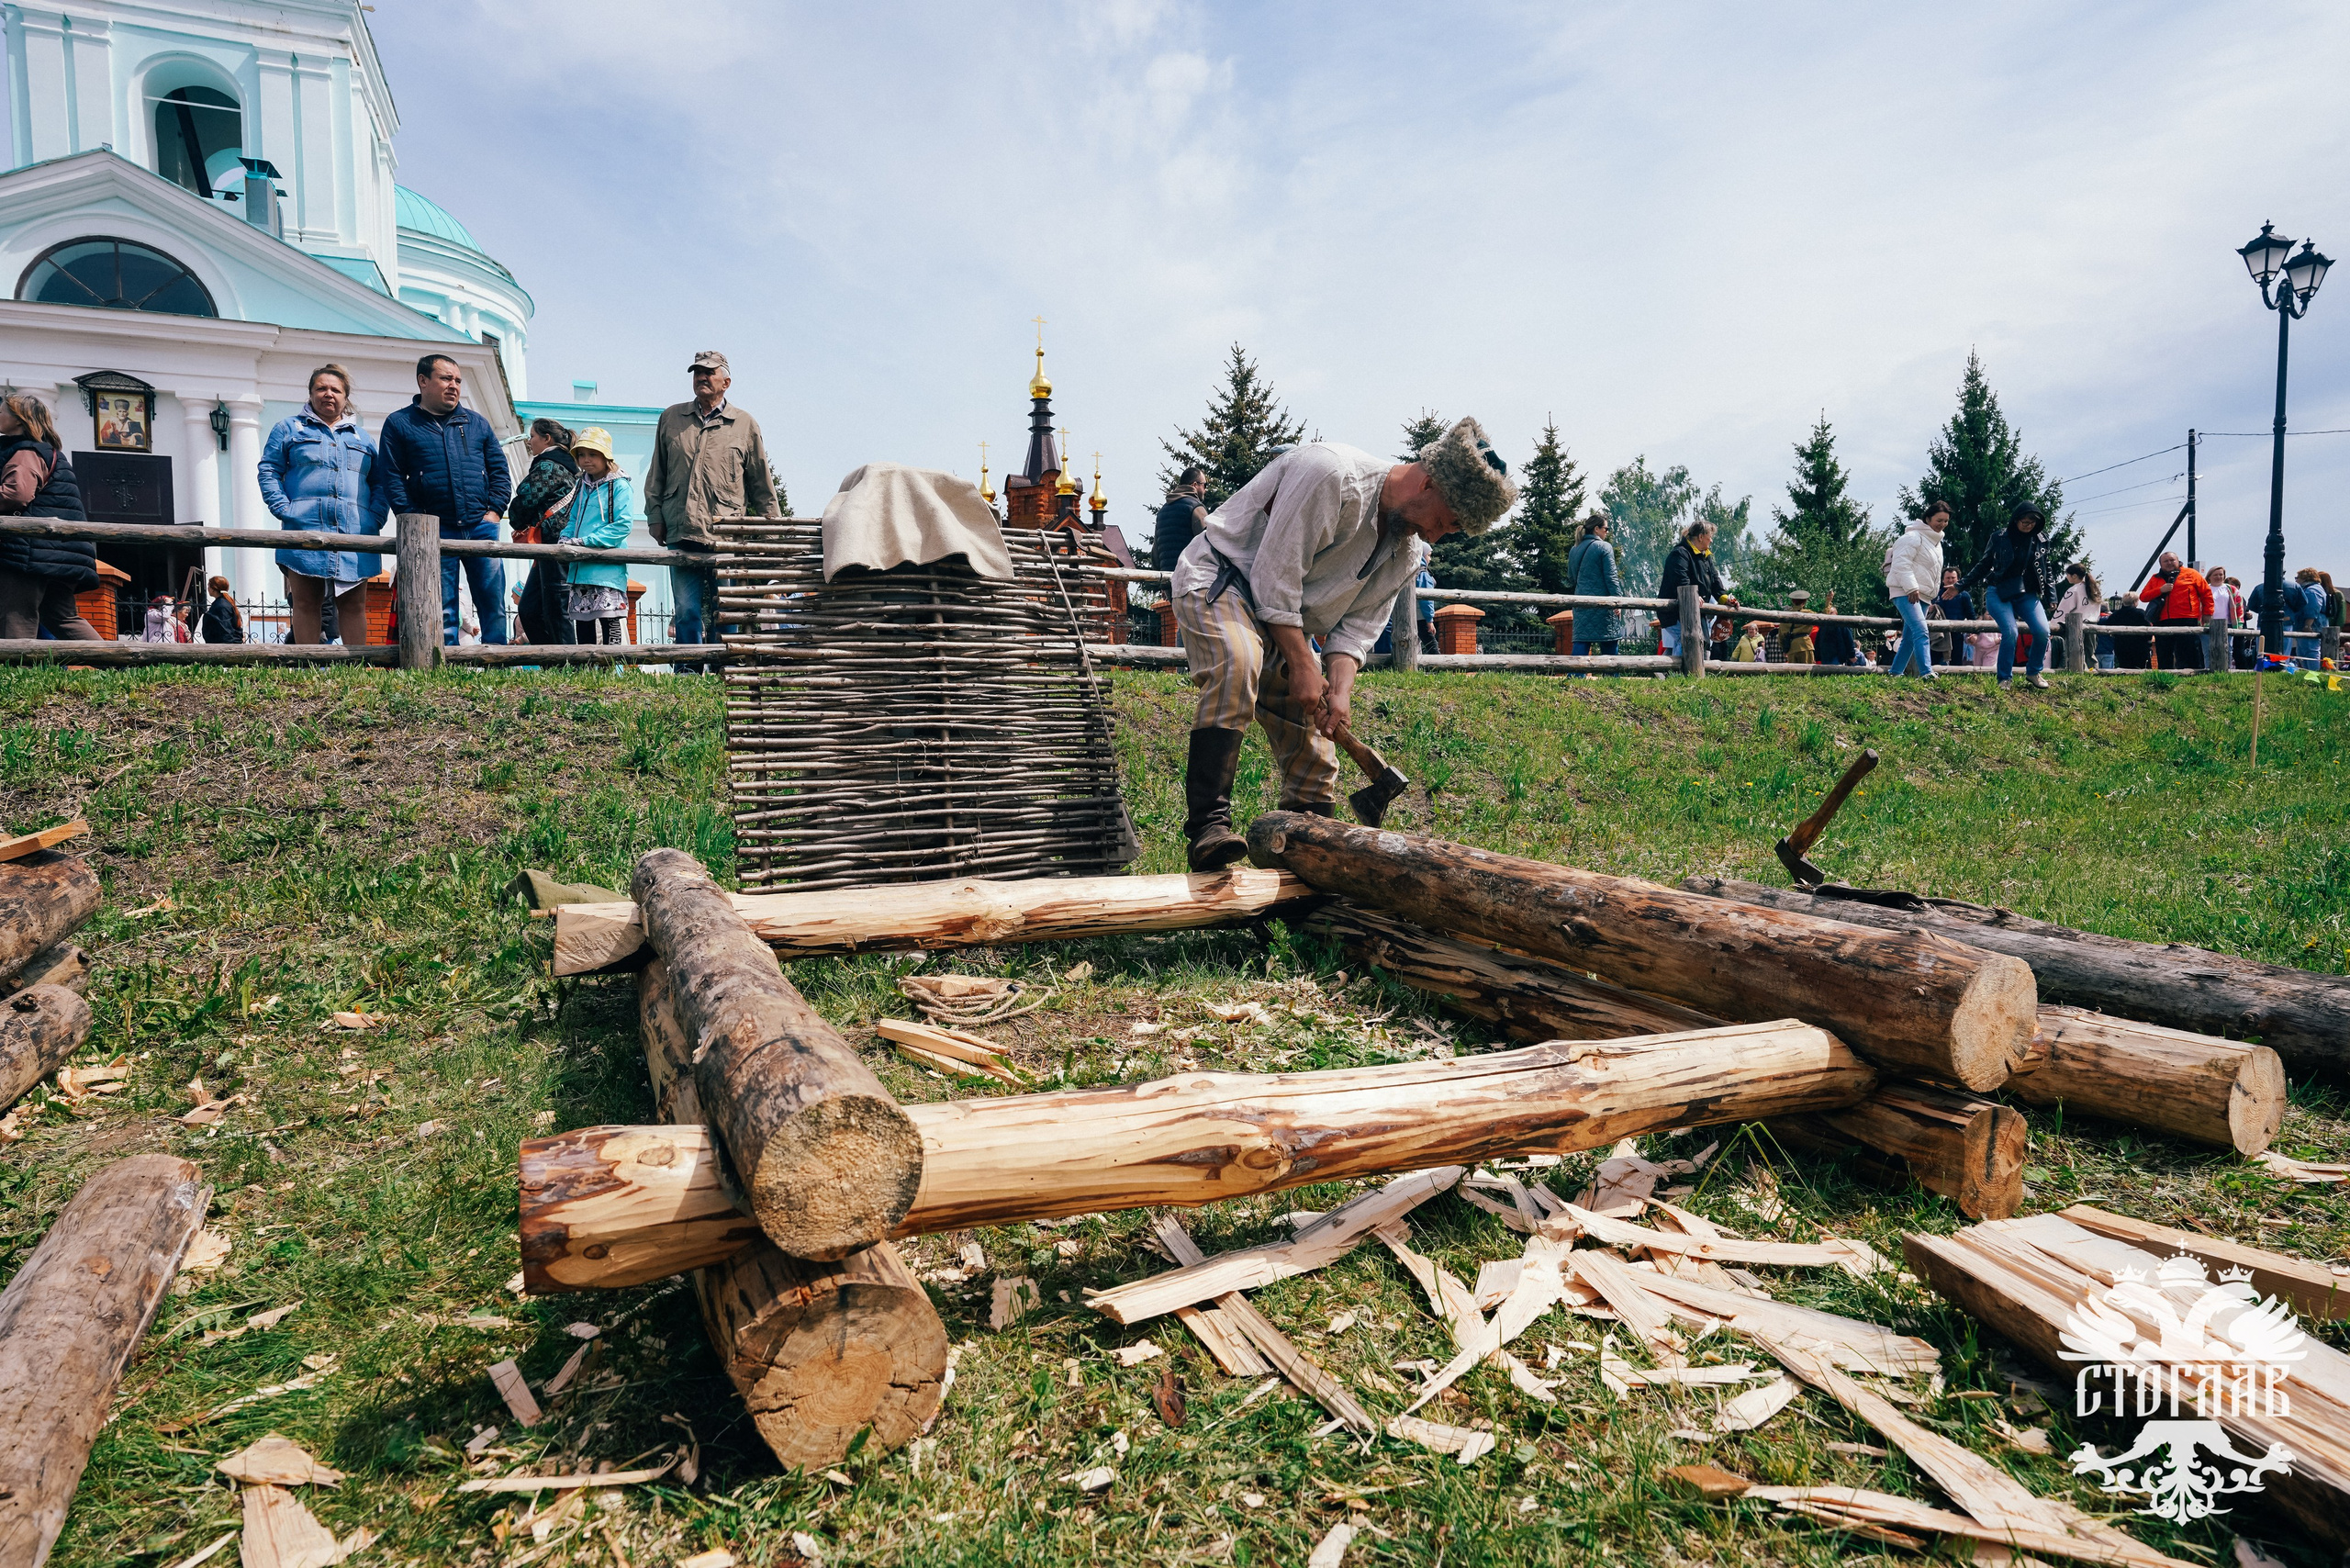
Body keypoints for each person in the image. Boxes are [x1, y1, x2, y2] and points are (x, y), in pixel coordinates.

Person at [1175, 416, 1514, 870]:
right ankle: (1208, 829)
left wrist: (1339, 692)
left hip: (1283, 617)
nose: (1437, 536)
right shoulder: (1331, 475)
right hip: (1223, 579)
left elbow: (1355, 630)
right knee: (1239, 663)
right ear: (1429, 482)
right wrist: (1301, 661)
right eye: (1445, 522)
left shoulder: (1406, 551)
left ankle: (1307, 861)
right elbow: (1275, 575)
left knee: (1317, 750)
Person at [644, 351, 782, 670]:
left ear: (726, 382)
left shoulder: (744, 424)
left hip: (726, 532)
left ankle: (726, 672)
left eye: (709, 373)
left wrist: (771, 530)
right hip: (681, 529)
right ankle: (689, 674)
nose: (701, 378)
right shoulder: (672, 417)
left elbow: (761, 481)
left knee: (728, 608)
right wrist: (655, 515)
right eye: (697, 373)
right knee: (687, 610)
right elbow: (657, 473)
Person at [379, 353, 511, 645]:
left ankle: (499, 661)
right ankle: (447, 667)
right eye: (446, 378)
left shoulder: (477, 424)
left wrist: (494, 513)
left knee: (492, 602)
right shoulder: (400, 424)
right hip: (433, 531)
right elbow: (391, 477)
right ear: (423, 381)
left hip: (481, 527)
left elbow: (500, 472)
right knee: (443, 605)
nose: (454, 385)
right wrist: (414, 518)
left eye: (458, 380)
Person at [258, 364, 387, 645]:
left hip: (356, 531)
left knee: (353, 605)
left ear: (345, 396)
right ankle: (309, 669)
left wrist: (375, 516)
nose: (328, 394)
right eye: (321, 388)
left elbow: (379, 482)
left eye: (335, 389)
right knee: (305, 602)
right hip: (304, 527)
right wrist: (283, 509)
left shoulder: (362, 438)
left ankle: (356, 672)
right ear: (311, 393)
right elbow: (268, 470)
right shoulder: (289, 429)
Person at [0, 392, 102, 642]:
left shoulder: (26, 451)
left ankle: (17, 677)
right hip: (58, 552)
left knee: (17, 614)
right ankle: (117, 664)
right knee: (62, 617)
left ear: (20, 420)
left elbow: (16, 494)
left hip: (27, 550)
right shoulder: (49, 452)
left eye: (3, 411)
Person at [1959, 501, 2054, 689]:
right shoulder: (2000, 537)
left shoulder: (2041, 539)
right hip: (1999, 591)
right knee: (2010, 632)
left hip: (2026, 593)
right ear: (2015, 520)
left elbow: (2047, 568)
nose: (2028, 526)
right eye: (2024, 522)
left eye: (2032, 523)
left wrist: (2051, 596)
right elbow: (1984, 565)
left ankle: (2034, 672)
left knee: (2043, 631)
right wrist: (1961, 585)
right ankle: (2004, 678)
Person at [509, 417, 579, 646]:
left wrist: (517, 516)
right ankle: (556, 665)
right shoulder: (566, 466)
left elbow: (526, 499)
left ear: (546, 438)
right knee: (532, 609)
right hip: (551, 545)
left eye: (532, 436)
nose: (529, 441)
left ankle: (568, 667)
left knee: (555, 611)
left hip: (553, 546)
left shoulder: (548, 464)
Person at [561, 428, 633, 644]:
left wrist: (585, 542)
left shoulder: (620, 485)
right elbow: (572, 520)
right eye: (581, 455)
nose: (586, 460)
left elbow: (622, 525)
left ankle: (613, 675)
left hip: (607, 569)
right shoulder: (580, 485)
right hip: (580, 569)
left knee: (610, 623)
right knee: (583, 625)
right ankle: (586, 675)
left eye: (592, 454)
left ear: (605, 456)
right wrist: (565, 538)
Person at [1884, 502, 1947, 678]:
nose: (1942, 524)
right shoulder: (1912, 537)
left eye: (1946, 521)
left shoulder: (1936, 543)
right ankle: (1926, 672)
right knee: (1921, 631)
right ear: (1928, 519)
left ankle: (1895, 673)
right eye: (1939, 520)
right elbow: (1901, 564)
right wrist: (1911, 587)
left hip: (1923, 595)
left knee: (1911, 637)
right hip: (1906, 592)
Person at [1655, 520, 1728, 660]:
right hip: (1674, 613)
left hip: (1695, 612)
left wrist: (1725, 598)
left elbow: (1715, 581)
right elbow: (1681, 579)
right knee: (1687, 640)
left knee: (1699, 642)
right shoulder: (1679, 554)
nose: (1711, 540)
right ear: (1701, 537)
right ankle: (1679, 676)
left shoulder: (1705, 556)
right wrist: (1694, 595)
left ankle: (1681, 675)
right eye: (1710, 536)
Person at [2137, 551, 2211, 672]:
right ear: (2160, 564)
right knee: (2163, 652)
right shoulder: (2155, 578)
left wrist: (2208, 612)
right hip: (2162, 620)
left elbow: (2206, 593)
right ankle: (2165, 678)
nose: (2169, 563)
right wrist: (2160, 590)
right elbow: (2143, 597)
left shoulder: (2191, 574)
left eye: (2172, 560)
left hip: (2187, 618)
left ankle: (2193, 677)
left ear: (2178, 561)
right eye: (2165, 561)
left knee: (2188, 651)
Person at [1564, 512, 1622, 655]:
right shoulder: (1604, 547)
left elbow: (1571, 578)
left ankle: (1575, 676)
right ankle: (1611, 677)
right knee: (1609, 643)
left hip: (1581, 603)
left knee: (1581, 643)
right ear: (1596, 529)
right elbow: (1611, 577)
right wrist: (1618, 601)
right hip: (1603, 604)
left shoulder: (1574, 549)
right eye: (1606, 529)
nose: (1607, 532)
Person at [1153, 465, 1209, 573]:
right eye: (1204, 485)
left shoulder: (1162, 512)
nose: (1206, 490)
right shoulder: (1196, 508)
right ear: (1195, 485)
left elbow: (1156, 556)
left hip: (1168, 580)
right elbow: (1207, 544)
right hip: (1190, 579)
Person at [2052, 562, 2099, 669]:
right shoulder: (2093, 589)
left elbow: (2064, 609)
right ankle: (2094, 672)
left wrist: (2053, 624)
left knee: (2076, 651)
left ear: (2074, 576)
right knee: (2090, 652)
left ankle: (2079, 672)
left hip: (2077, 625)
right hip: (2093, 624)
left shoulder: (2073, 590)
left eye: (2067, 575)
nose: (2066, 577)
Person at [1930, 566, 1973, 666]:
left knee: (1956, 662)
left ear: (1958, 579)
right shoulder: (1935, 594)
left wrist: (1974, 633)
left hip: (1957, 634)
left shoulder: (1964, 595)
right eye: (1948, 578)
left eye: (1953, 578)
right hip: (1938, 634)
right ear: (1943, 580)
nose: (1950, 580)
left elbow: (1971, 615)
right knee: (1934, 661)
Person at [2106, 591, 2154, 670]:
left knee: (2124, 667)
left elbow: (2107, 628)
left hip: (2121, 646)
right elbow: (2148, 628)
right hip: (2140, 646)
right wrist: (2148, 640)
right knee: (2142, 668)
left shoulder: (2115, 615)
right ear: (2135, 602)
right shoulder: (2141, 613)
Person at [1814, 588, 1860, 665]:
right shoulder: (1824, 626)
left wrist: (1851, 655)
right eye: (1829, 613)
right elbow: (1818, 641)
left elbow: (1849, 640)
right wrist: (1817, 656)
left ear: (1836, 613)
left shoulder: (1841, 624)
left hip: (1837, 655)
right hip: (1827, 656)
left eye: (1831, 612)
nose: (1830, 614)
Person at [199, 575, 243, 643]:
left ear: (214, 588)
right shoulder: (225, 603)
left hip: (224, 647)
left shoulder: (221, 605)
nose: (207, 589)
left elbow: (225, 630)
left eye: (208, 586)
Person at [1779, 590, 1817, 663]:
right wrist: (1828, 602)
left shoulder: (1785, 615)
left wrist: (1785, 648)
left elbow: (1781, 636)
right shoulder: (1808, 613)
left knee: (1793, 673)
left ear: (1792, 601)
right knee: (1807, 672)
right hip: (1805, 645)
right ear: (1805, 602)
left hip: (1791, 647)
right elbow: (1823, 617)